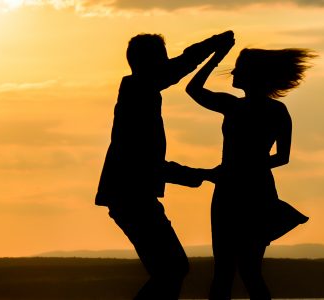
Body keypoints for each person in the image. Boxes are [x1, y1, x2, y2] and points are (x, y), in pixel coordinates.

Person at [95, 31, 234, 300]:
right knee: (172, 269)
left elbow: (178, 66)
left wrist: (213, 45)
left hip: (133, 196)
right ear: (151, 63)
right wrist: (201, 174)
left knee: (171, 269)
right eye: (162, 59)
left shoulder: (140, 91)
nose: (168, 64)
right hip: (131, 197)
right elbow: (146, 164)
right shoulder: (138, 92)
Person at [186, 35, 315, 300]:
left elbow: (283, 157)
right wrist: (217, 56)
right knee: (236, 270)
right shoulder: (242, 106)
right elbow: (193, 90)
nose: (233, 72)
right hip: (243, 189)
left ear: (253, 75)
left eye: (238, 69)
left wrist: (243, 167)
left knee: (240, 270)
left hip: (243, 189)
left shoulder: (247, 108)